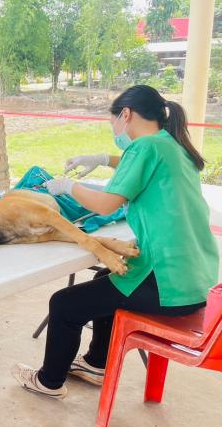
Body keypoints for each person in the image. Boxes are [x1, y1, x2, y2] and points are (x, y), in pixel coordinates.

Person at [12, 85, 219, 399]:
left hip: (167, 283)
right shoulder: (172, 145)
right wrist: (102, 159)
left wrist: (68, 186)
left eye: (113, 123)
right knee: (106, 276)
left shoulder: (145, 147)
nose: (114, 130)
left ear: (126, 114)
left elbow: (107, 204)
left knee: (64, 304)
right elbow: (136, 165)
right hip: (197, 280)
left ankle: (48, 381)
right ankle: (96, 364)